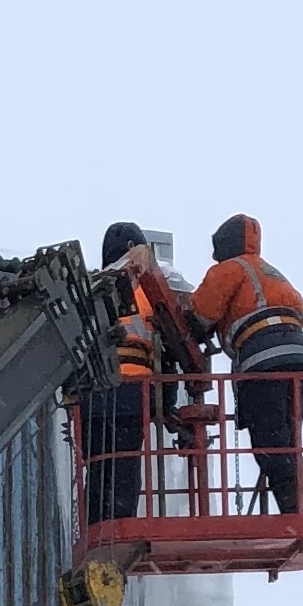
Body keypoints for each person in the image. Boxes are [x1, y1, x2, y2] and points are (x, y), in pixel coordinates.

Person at [186, 214, 303, 517]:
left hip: (264, 356)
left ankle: (290, 504)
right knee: (287, 434)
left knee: (268, 435)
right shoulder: (271, 272)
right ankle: (294, 500)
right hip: (300, 353)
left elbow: (200, 315)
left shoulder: (228, 270)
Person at [78, 220, 194, 528]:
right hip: (131, 389)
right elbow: (174, 338)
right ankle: (118, 527)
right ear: (134, 248)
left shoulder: (91, 287)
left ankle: (96, 530)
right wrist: (167, 406)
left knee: (99, 467)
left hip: (91, 394)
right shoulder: (147, 284)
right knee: (124, 468)